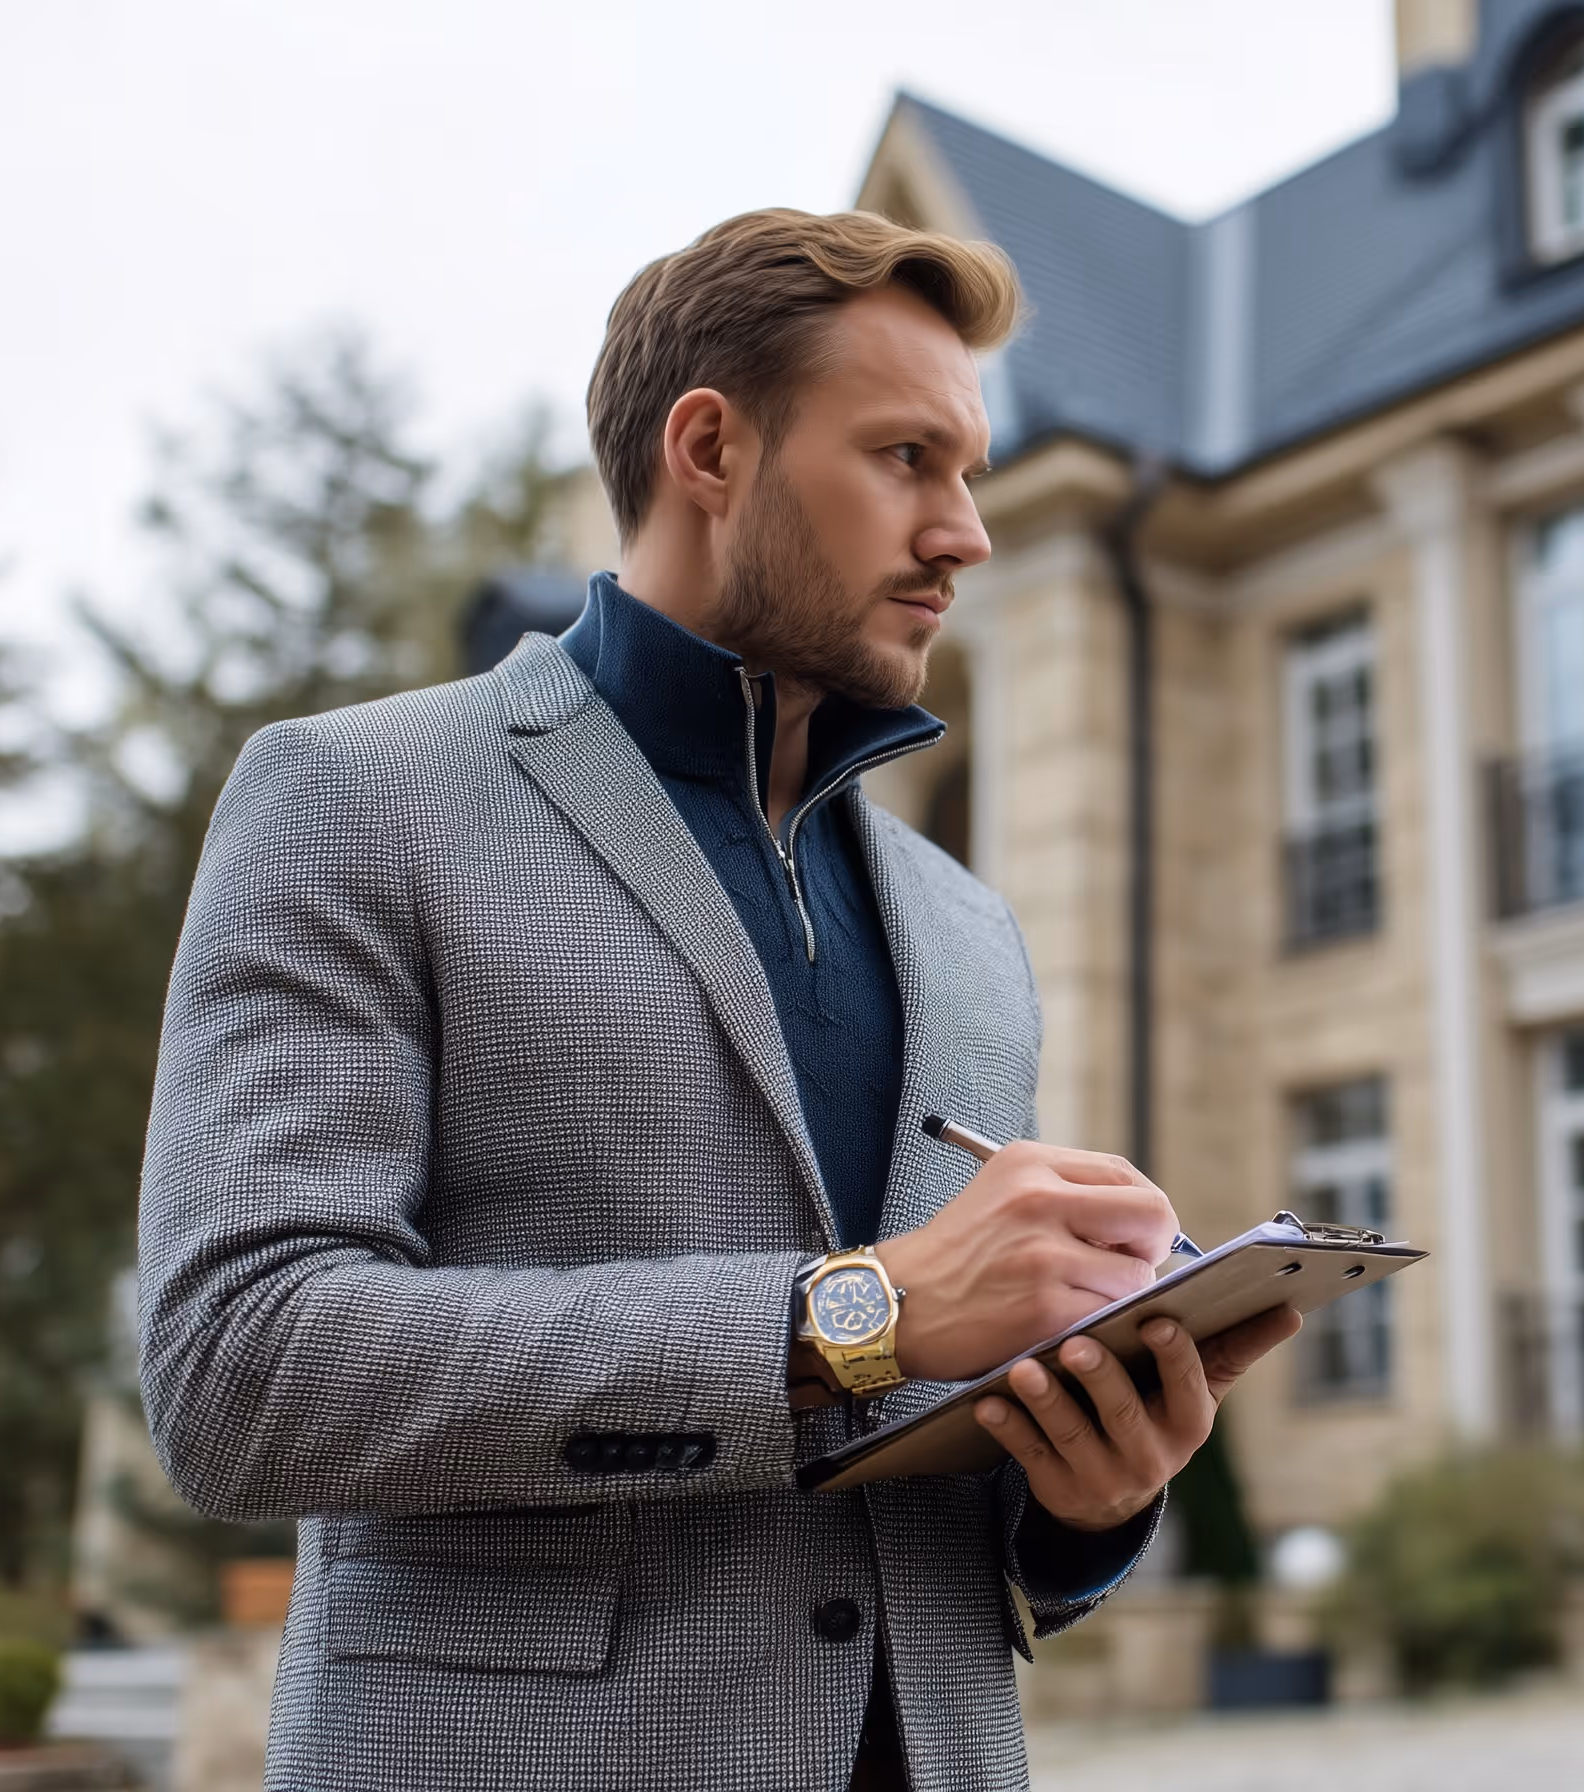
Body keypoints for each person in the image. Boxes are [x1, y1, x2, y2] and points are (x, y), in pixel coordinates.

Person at [136, 207, 1299, 1792]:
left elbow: (912, 1446)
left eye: (968, 471)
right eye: (907, 459)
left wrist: (1084, 1493)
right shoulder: (354, 798)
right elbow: (239, 1369)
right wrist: (853, 1315)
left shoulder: (968, 928)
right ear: (710, 448)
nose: (965, 531)